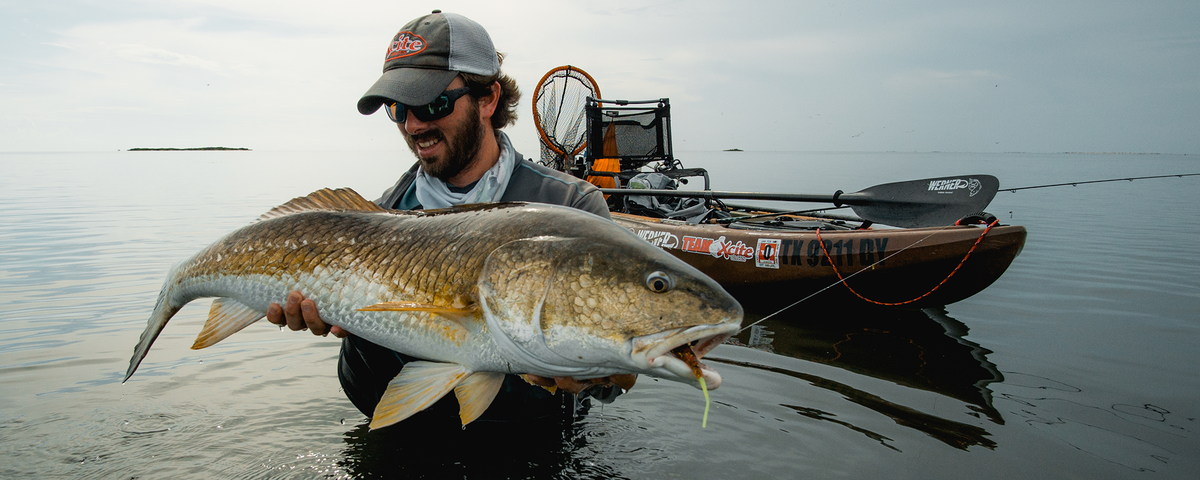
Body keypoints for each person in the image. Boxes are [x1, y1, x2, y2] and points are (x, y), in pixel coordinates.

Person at [264, 10, 635, 424]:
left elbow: (619, 376)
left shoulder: (570, 206)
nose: (414, 124)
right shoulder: (386, 213)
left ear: (488, 99)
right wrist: (356, 328)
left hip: (536, 452)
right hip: (407, 446)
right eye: (398, 109)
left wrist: (596, 375)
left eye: (431, 102)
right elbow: (363, 390)